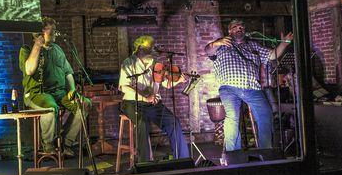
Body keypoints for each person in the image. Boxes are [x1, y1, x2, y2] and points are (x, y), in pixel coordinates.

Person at [205, 19, 293, 153]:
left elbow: (272, 55)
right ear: (230, 31)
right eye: (235, 27)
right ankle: (233, 154)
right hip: (229, 88)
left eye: (241, 27)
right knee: (232, 118)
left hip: (253, 88)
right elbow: (208, 50)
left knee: (266, 114)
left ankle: (266, 151)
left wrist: (285, 43)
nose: (239, 29)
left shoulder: (253, 45)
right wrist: (217, 42)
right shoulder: (221, 45)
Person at [19, 17, 91, 156]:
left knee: (85, 104)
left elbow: (68, 72)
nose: (54, 32)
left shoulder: (57, 49)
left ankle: (66, 142)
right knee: (51, 107)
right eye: (50, 29)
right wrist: (37, 46)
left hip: (60, 92)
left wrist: (72, 90)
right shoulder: (27, 49)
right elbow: (29, 70)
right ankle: (48, 145)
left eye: (54, 29)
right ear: (40, 32)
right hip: (37, 94)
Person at [118, 35, 190, 162]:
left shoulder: (156, 64)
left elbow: (166, 84)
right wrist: (145, 97)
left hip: (153, 104)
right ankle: (145, 163)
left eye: (153, 47)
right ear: (140, 48)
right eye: (150, 47)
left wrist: (179, 81)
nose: (153, 50)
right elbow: (124, 87)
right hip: (132, 103)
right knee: (142, 123)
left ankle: (181, 160)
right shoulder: (128, 63)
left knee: (173, 122)